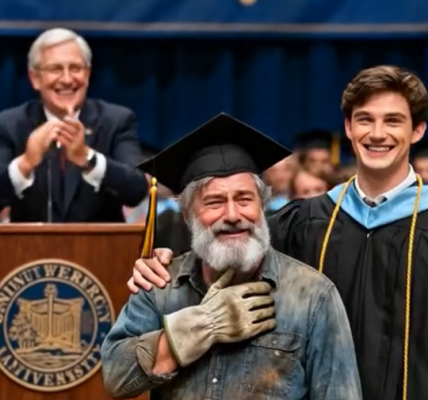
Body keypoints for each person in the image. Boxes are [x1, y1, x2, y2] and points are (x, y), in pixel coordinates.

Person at [127, 66, 428, 400]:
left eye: (393, 121)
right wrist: (160, 265)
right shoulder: (302, 221)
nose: (377, 133)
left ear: (418, 130)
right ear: (348, 128)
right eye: (365, 120)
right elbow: (222, 253)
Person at [101, 114, 362, 400]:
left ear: (263, 205)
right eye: (214, 202)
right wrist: (200, 326)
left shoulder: (313, 295)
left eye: (244, 199)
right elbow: (116, 378)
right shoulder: (160, 284)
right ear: (187, 215)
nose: (233, 215)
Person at [0, 28, 147, 222]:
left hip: (101, 241)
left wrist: (88, 159)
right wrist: (25, 163)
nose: (67, 79)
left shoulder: (116, 121)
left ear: (88, 74)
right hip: (31, 242)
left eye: (76, 68)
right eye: (55, 69)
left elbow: (137, 189)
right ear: (35, 78)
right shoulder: (10, 124)